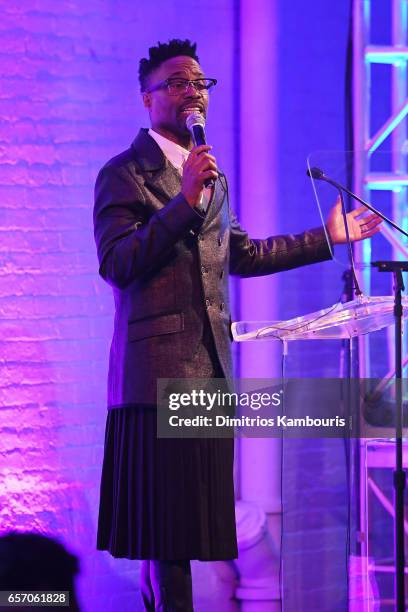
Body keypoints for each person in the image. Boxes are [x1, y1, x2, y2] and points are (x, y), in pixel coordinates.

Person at [93, 39, 381, 611]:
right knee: (164, 539)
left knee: (190, 534)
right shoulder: (124, 174)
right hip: (156, 379)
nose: (193, 91)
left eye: (199, 82)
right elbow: (116, 263)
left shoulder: (212, 180)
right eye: (177, 82)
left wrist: (327, 239)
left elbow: (243, 255)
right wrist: (184, 202)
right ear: (147, 98)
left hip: (210, 373)